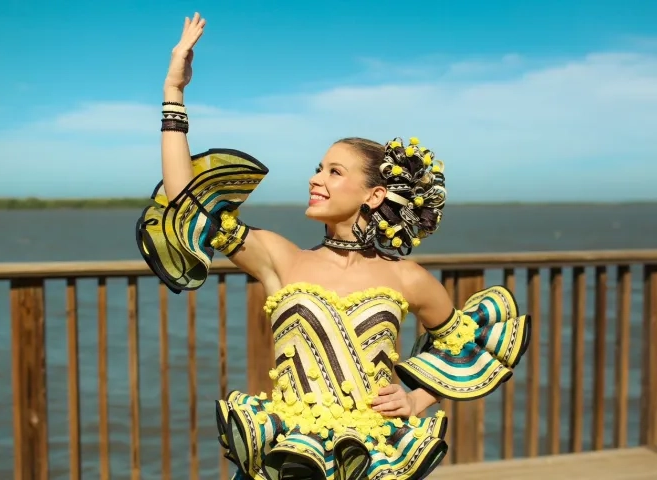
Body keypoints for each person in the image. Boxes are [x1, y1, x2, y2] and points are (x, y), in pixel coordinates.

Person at [136, 13, 531, 480]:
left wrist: (418, 397)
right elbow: (188, 204)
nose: (315, 178)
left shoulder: (406, 277)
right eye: (318, 167)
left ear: (374, 195)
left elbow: (467, 344)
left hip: (368, 461)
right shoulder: (282, 258)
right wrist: (173, 92)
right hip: (285, 457)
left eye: (333, 172)